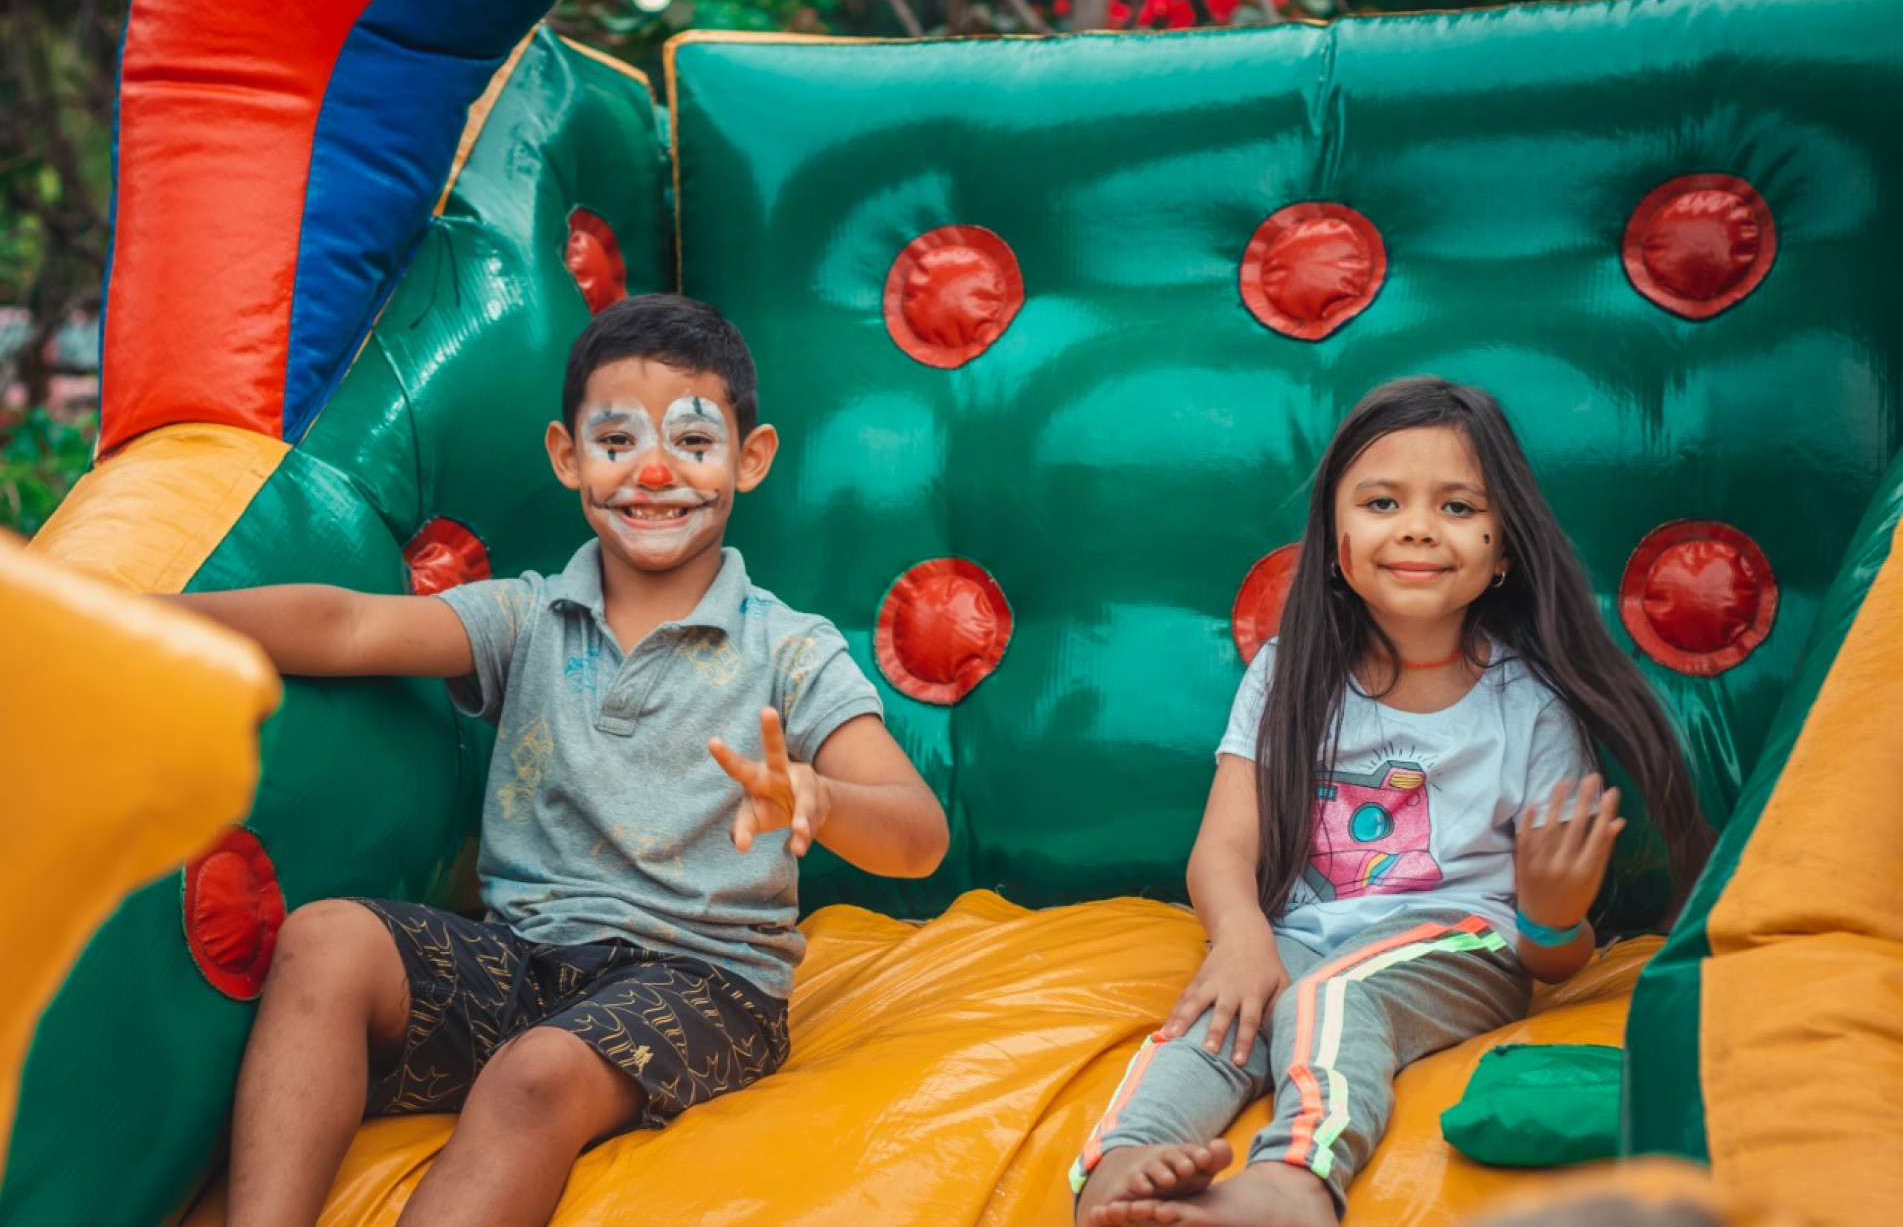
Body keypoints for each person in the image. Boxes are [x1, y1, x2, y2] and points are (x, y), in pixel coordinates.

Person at [172, 294, 949, 1227]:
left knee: (533, 1074)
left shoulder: (789, 649)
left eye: (692, 445)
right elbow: (347, 624)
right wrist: (127, 618)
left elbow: (919, 839)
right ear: (566, 454)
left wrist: (819, 795)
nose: (654, 472)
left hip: (705, 982)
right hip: (523, 958)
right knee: (326, 939)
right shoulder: (529, 618)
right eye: (617, 442)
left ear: (749, 457)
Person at [1070, 376, 1710, 1227]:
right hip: (1301, 937)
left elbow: (1550, 959)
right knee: (1217, 1016)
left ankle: (1296, 1180)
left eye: (1455, 507)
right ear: (1335, 542)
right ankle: (1119, 1168)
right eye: (1381, 501)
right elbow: (1223, 847)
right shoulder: (1287, 675)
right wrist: (1240, 938)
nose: (1415, 526)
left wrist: (1554, 915)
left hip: (1462, 947)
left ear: (1503, 548)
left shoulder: (1528, 707)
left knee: (1329, 998)